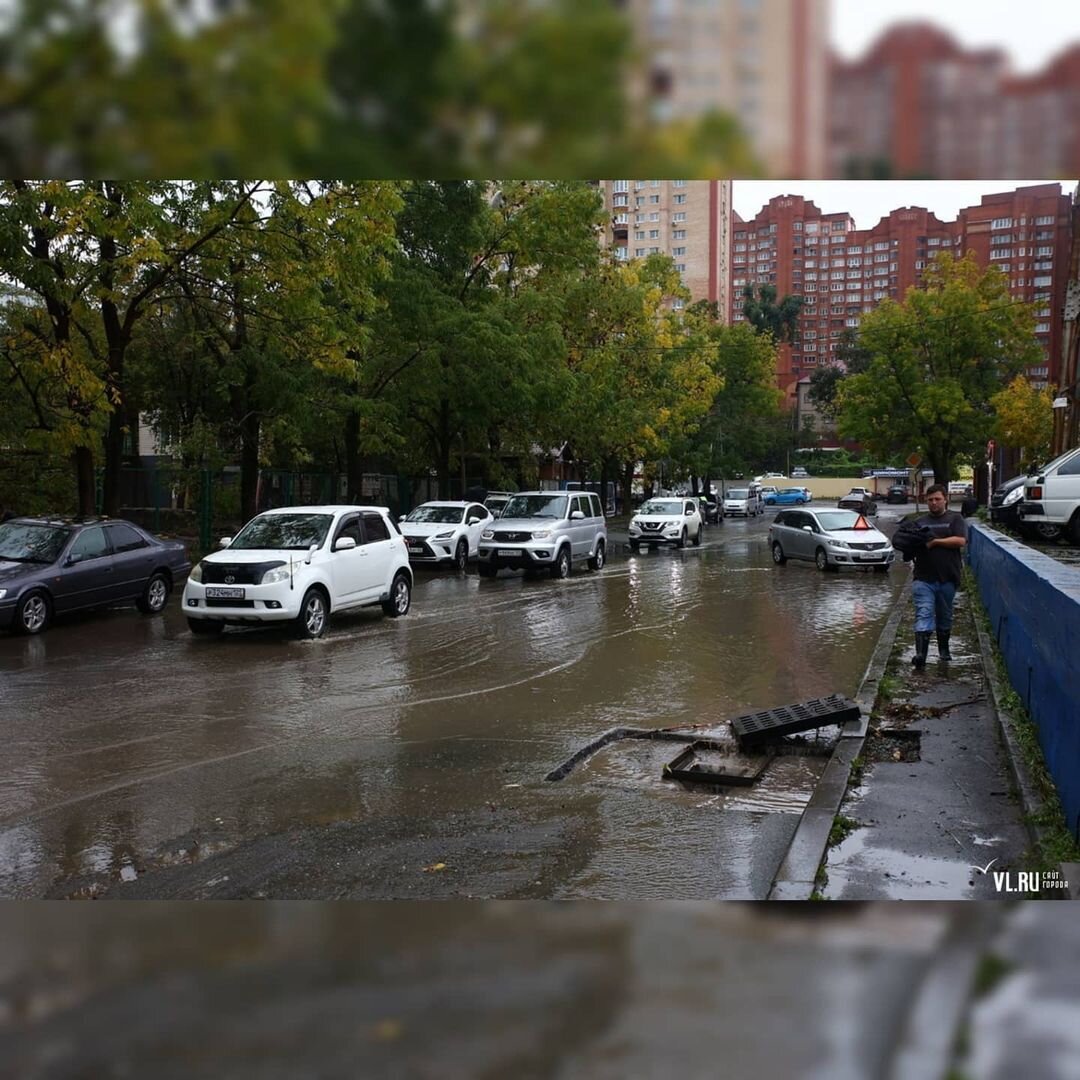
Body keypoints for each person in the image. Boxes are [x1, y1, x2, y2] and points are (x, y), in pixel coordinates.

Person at [910, 484, 968, 668]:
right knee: (924, 612)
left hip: (948, 577)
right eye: (930, 500)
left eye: (937, 499)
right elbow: (909, 544)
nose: (934, 503)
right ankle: (921, 656)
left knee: (944, 616)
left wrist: (935, 542)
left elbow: (960, 540)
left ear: (945, 499)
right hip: (923, 577)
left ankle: (944, 651)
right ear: (925, 501)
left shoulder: (955, 519)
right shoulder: (919, 522)